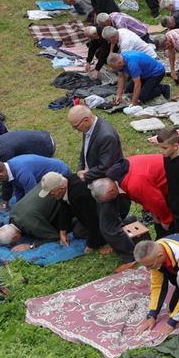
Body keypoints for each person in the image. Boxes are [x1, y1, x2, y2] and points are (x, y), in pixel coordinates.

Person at [67, 105, 135, 267]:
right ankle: (117, 244)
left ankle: (130, 257)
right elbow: (83, 153)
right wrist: (79, 170)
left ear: (85, 120)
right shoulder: (89, 129)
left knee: (107, 226)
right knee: (110, 220)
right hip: (97, 182)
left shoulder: (106, 135)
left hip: (107, 185)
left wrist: (86, 176)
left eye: (75, 126)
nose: (75, 130)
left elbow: (107, 166)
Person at [0, 154, 70, 204]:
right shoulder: (8, 168)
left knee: (52, 202)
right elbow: (19, 189)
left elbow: (33, 195)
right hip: (43, 177)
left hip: (60, 173)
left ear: (1, 175)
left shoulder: (21, 172)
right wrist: (18, 209)